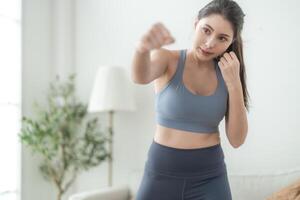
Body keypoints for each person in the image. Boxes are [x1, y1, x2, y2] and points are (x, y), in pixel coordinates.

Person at [131, 0, 249, 199]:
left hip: (210, 178)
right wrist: (142, 50)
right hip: (160, 174)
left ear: (232, 41)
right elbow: (139, 77)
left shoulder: (228, 73)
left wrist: (235, 84)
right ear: (196, 24)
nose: (210, 43)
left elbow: (237, 140)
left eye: (222, 38)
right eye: (206, 30)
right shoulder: (167, 59)